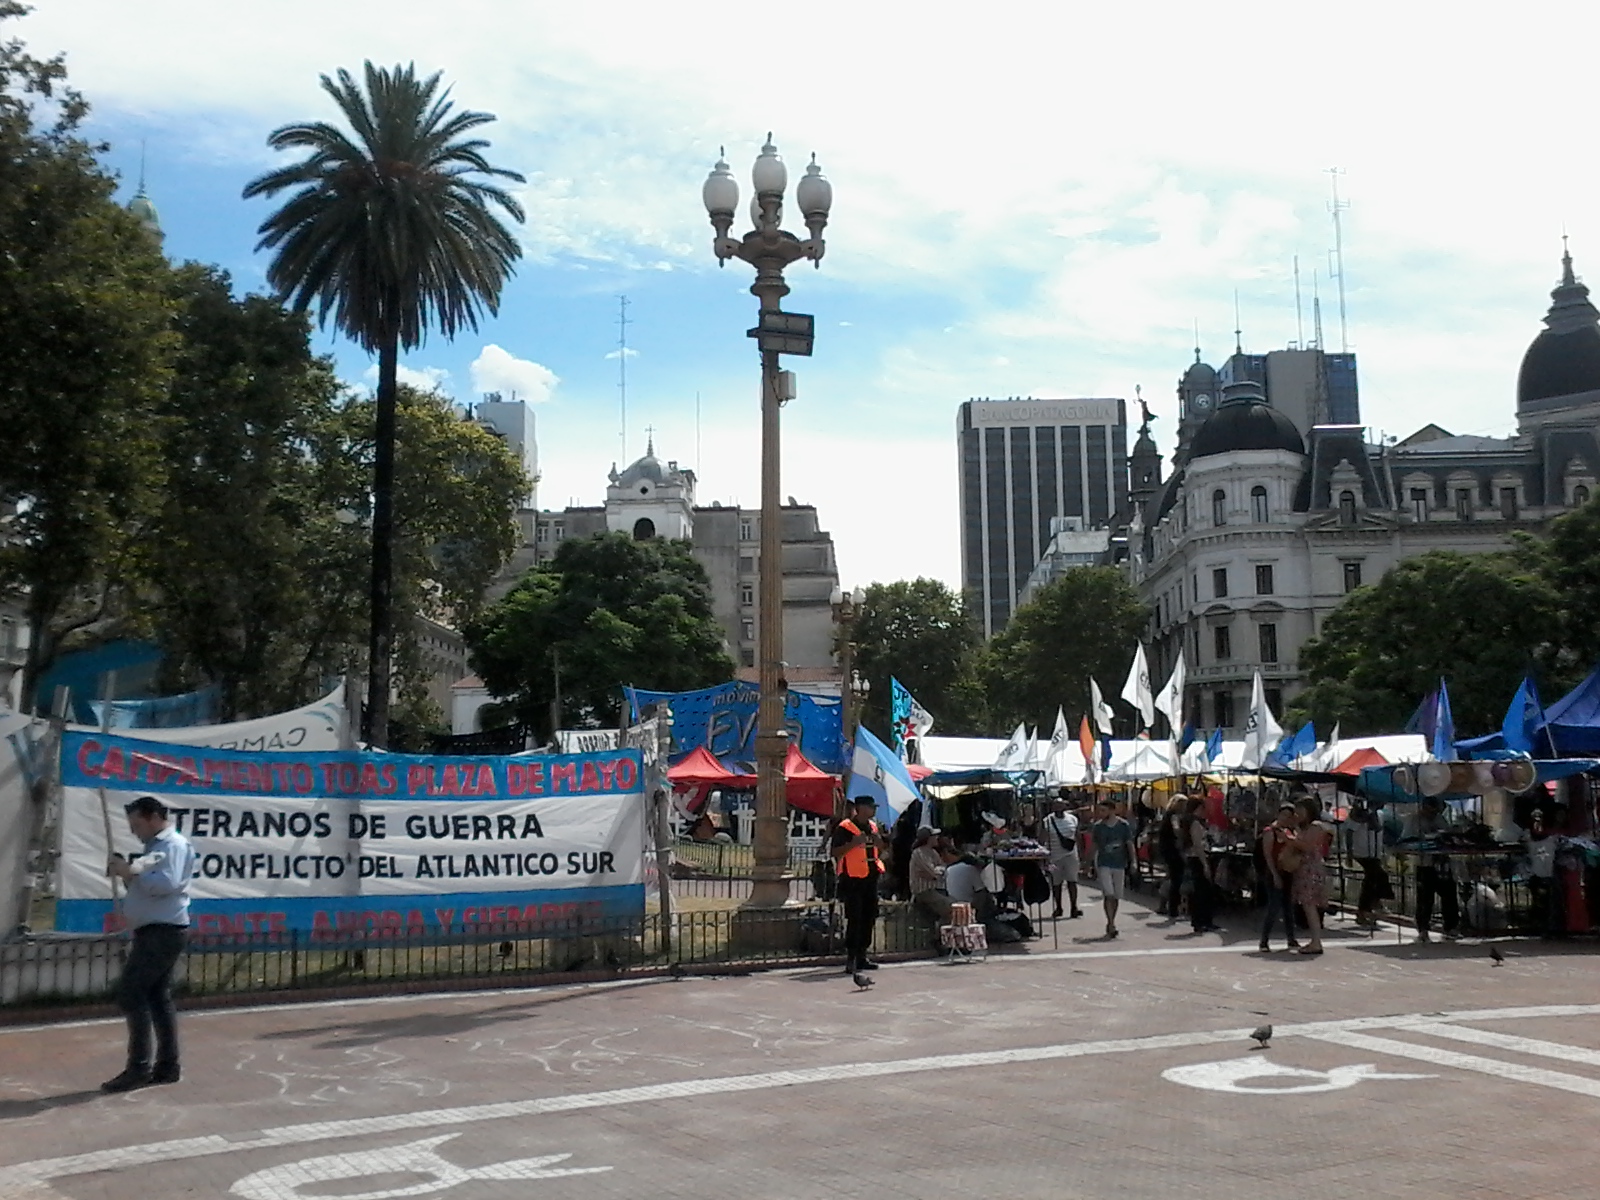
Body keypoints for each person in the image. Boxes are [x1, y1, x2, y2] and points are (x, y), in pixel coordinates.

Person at [101, 794, 196, 1093]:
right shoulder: (153, 849)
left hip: (163, 930)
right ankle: (167, 1065)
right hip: (153, 929)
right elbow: (145, 886)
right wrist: (127, 874)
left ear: (153, 816)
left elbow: (166, 884)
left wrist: (130, 871)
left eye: (137, 824)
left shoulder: (172, 845)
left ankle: (139, 1067)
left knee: (132, 993)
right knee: (156, 996)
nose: (134, 831)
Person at [831, 796, 886, 973]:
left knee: (869, 917)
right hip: (852, 878)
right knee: (855, 918)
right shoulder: (845, 827)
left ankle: (862, 956)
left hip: (870, 877)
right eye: (871, 807)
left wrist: (880, 842)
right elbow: (835, 851)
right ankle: (851, 958)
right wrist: (853, 843)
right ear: (860, 808)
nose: (874, 810)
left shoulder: (873, 827)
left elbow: (881, 848)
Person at [1403, 797, 1460, 942]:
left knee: (1449, 895)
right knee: (1425, 899)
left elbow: (1446, 834)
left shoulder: (1440, 819)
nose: (1433, 813)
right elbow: (1407, 840)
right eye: (1430, 809)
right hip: (1425, 864)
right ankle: (1423, 929)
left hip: (1443, 864)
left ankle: (1450, 927)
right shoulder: (1414, 820)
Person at [1258, 801, 1302, 952]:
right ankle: (1264, 941)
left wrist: (1295, 826)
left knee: (1288, 907)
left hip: (1288, 871)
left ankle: (1291, 939)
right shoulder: (1270, 831)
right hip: (1274, 872)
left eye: (1289, 816)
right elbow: (1268, 855)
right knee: (1274, 907)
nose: (1286, 818)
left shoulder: (1290, 831)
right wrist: (1275, 875)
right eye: (1284, 815)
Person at [1290, 797, 1331, 955]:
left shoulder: (1316, 826)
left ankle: (1316, 941)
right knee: (1307, 904)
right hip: (1304, 867)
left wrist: (1289, 840)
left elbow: (1307, 846)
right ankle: (1314, 940)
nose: (1298, 814)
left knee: (1309, 903)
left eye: (1301, 811)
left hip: (1311, 867)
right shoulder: (1303, 827)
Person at [1090, 798, 1134, 939]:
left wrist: (1133, 862)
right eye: (1100, 810)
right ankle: (1111, 923)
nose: (1101, 813)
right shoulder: (1098, 827)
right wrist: (1088, 862)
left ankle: (1112, 920)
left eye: (1104, 810)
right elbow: (1095, 845)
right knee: (1108, 894)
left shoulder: (1123, 825)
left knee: (1116, 896)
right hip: (1104, 863)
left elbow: (1129, 844)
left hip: (1120, 864)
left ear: (1112, 810)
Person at [1345, 800, 1392, 929]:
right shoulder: (1358, 815)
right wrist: (1349, 853)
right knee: (1375, 876)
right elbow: (1349, 832)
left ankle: (1371, 906)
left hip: (1374, 852)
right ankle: (1372, 905)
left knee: (1372, 880)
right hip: (1362, 852)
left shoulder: (1381, 815)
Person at [1180, 795, 1221, 934]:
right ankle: (1200, 921)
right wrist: (1205, 864)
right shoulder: (1195, 823)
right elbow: (1198, 845)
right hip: (1198, 858)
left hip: (1195, 857)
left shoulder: (1193, 821)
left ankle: (1204, 920)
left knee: (1203, 891)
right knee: (1202, 891)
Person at [1043, 794, 1083, 919]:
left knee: (1072, 881)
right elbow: (1042, 837)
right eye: (1056, 805)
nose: (1058, 807)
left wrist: (1081, 854)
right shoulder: (1047, 821)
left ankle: (1074, 907)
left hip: (1071, 855)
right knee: (1056, 883)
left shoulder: (1072, 819)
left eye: (1061, 805)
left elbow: (1078, 836)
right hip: (1054, 856)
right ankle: (1058, 907)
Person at [909, 828, 953, 922]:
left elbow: (944, 869)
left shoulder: (933, 852)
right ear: (928, 838)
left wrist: (937, 872)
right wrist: (936, 873)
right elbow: (932, 872)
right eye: (934, 836)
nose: (937, 838)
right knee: (951, 908)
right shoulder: (919, 852)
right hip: (924, 891)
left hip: (937, 889)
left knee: (956, 905)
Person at [1157, 798, 1187, 919]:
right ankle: (1173, 909)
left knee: (1170, 876)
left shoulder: (1167, 815)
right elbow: (1176, 831)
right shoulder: (1174, 816)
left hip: (1166, 849)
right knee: (1176, 879)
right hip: (1172, 850)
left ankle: (1163, 904)